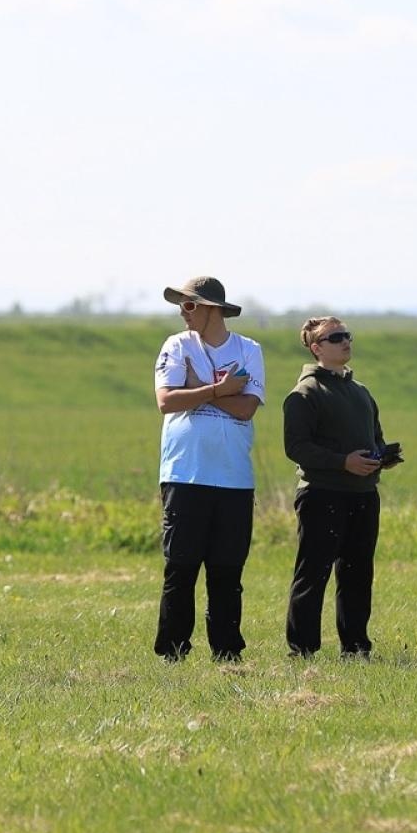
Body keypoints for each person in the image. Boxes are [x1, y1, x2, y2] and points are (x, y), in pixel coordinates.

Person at [151, 276, 266, 662]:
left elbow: (247, 408)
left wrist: (198, 390)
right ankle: (172, 650)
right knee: (180, 567)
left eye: (189, 306)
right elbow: (167, 400)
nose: (183, 313)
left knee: (227, 570)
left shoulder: (249, 350)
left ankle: (227, 651)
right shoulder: (176, 346)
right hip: (185, 474)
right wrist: (219, 390)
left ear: (212, 309)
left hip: (234, 478)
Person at [282, 316, 398, 660]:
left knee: (358, 573)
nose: (345, 341)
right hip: (321, 494)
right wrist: (342, 462)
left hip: (364, 494)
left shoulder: (361, 391)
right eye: (335, 338)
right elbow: (297, 448)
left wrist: (381, 456)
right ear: (317, 348)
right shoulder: (304, 394)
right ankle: (302, 650)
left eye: (347, 335)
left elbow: (374, 436)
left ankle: (356, 646)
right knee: (313, 573)